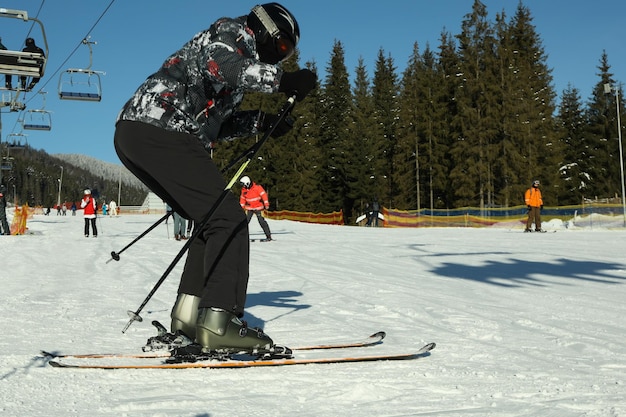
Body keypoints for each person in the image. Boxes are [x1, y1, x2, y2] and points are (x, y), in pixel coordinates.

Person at [113, 3, 316, 356]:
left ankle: (188, 319)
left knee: (210, 220)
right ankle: (219, 321)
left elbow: (217, 122)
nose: (280, 58)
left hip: (143, 131)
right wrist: (284, 82)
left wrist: (261, 123)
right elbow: (222, 65)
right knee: (229, 217)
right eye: (281, 47)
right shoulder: (232, 33)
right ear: (266, 29)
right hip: (161, 127)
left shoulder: (237, 56)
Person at [239, 176, 272, 241]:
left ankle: (268, 236)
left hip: (258, 207)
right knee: (245, 222)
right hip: (249, 208)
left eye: (243, 184)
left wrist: (266, 204)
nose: (243, 186)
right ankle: (242, 236)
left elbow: (264, 195)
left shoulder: (257, 187)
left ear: (247, 183)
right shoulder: (244, 190)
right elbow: (242, 200)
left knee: (261, 221)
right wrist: (241, 208)